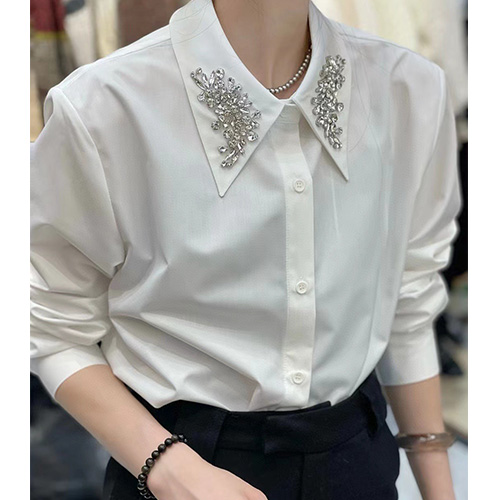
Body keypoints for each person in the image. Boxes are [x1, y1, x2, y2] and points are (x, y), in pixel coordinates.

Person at [30, 0, 462, 498]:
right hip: (177, 464)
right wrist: (167, 468)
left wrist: (439, 486)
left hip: (356, 458)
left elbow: (409, 299)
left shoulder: (409, 90)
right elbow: (51, 322)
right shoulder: (105, 107)